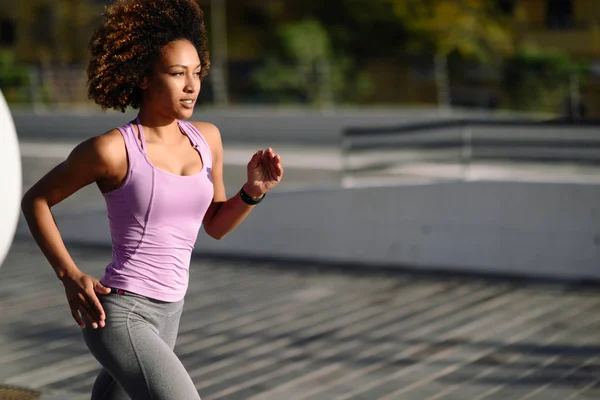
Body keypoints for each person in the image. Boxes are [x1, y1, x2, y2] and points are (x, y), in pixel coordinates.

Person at [20, 0, 283, 398]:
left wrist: (252, 192)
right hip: (123, 313)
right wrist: (69, 276)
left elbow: (214, 226)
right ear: (144, 77)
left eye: (196, 73)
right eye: (178, 74)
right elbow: (36, 199)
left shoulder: (206, 138)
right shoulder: (113, 150)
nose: (192, 85)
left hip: (171, 312)